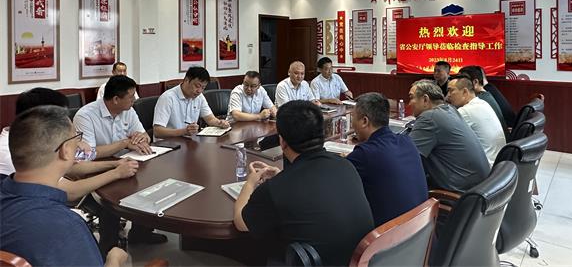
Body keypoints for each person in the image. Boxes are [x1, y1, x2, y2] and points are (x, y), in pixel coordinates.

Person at [233, 101, 374, 266]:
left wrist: (250, 183)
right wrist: (282, 177)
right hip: (359, 261)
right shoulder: (346, 165)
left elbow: (241, 223)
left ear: (282, 141)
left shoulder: (275, 189)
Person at [0, 105, 129, 267]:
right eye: (77, 138)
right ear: (65, 150)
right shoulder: (65, 226)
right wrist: (114, 259)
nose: (79, 144)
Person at [1, 88, 139, 201]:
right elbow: (70, 192)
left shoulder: (36, 139)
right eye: (62, 117)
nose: (67, 121)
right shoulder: (15, 152)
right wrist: (116, 173)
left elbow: (73, 167)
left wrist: (115, 164)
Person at [74, 76, 165, 246]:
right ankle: (109, 247)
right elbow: (87, 155)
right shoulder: (86, 116)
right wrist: (124, 143)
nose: (134, 100)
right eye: (131, 97)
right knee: (112, 200)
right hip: (97, 168)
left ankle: (140, 234)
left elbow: (144, 135)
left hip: (127, 161)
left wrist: (142, 138)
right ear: (116, 99)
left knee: (151, 182)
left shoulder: (128, 110)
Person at [347, 93, 428, 227]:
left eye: (353, 118)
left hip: (389, 235)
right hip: (422, 230)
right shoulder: (407, 141)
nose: (352, 124)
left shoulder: (364, 154)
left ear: (364, 121)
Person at [408, 79, 490, 193]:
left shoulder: (429, 118)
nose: (409, 103)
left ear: (425, 99)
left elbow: (406, 157)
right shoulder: (450, 109)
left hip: (459, 194)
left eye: (411, 97)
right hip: (479, 187)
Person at [153, 66, 230, 138]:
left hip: (189, 141)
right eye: (197, 86)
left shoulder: (199, 97)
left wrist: (220, 123)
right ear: (187, 80)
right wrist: (184, 131)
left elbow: (210, 119)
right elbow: (157, 131)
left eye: (203, 88)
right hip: (168, 143)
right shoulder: (168, 98)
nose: (199, 91)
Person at [446, 76, 506, 165]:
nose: (448, 95)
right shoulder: (483, 103)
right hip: (498, 163)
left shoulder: (465, 111)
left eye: (451, 90)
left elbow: (445, 135)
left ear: (465, 92)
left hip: (486, 166)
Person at [458, 65, 508, 135]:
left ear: (475, 82)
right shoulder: (485, 96)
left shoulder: (479, 102)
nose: (458, 84)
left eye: (461, 81)